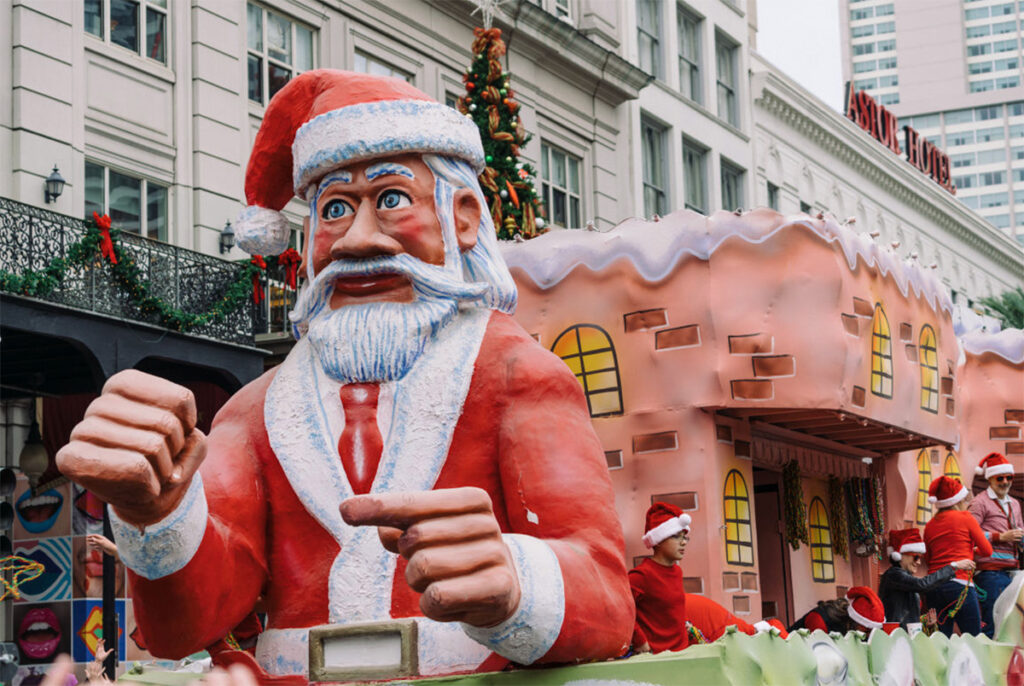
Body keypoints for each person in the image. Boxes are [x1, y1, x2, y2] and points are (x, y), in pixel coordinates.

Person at [56, 69, 633, 682]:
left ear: (462, 217)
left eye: (391, 200)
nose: (355, 240)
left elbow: (604, 594)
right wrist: (159, 510)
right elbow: (185, 627)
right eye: (334, 208)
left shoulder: (520, 377)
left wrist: (517, 581)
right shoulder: (254, 412)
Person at [923, 475, 994, 636]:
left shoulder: (929, 525)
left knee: (940, 638)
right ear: (958, 500)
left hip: (934, 585)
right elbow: (987, 550)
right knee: (973, 637)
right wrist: (970, 552)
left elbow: (928, 559)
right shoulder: (966, 518)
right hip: (959, 585)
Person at [968, 452, 1024, 638]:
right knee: (993, 622)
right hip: (989, 572)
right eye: (1000, 478)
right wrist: (1000, 536)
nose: (1005, 482)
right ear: (990, 478)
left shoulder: (1014, 503)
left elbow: (1019, 530)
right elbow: (970, 534)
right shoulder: (979, 502)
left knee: (1011, 623)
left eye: (1009, 477)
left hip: (1013, 571)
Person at [878, 528, 974, 632]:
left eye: (920, 558)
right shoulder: (894, 574)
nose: (919, 562)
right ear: (900, 555)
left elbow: (908, 617)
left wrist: (925, 624)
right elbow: (922, 584)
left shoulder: (902, 578)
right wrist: (953, 566)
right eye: (916, 557)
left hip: (905, 636)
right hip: (897, 638)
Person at [629, 503, 692, 653]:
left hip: (682, 655)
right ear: (658, 540)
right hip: (656, 660)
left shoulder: (677, 571)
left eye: (685, 537)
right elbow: (621, 611)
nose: (683, 542)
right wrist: (639, 641)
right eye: (676, 536)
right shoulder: (641, 576)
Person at [788, 587, 885, 634]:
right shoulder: (820, 620)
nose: (868, 635)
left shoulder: (852, 627)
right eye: (867, 630)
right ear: (857, 621)